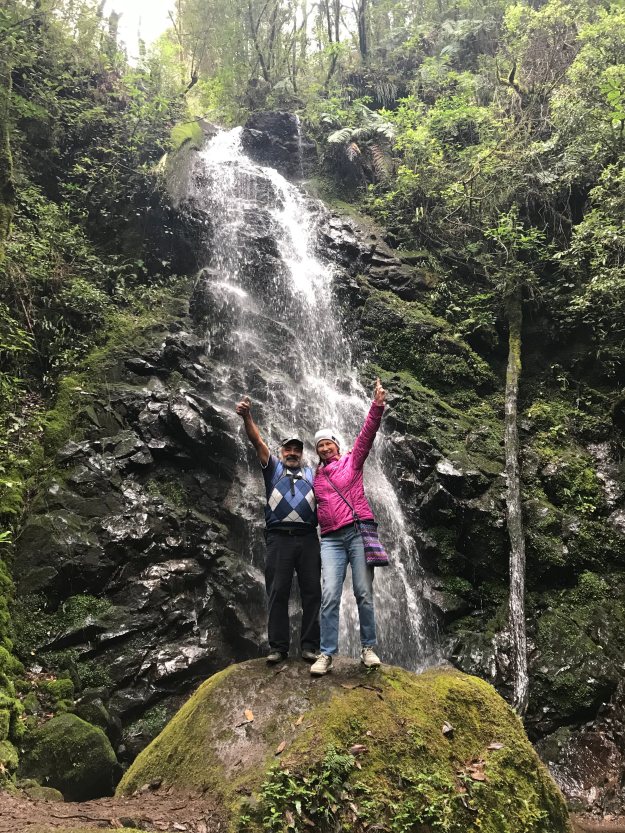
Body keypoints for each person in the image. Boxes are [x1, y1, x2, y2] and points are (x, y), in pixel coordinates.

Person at [310, 378, 386, 677]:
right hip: (329, 540)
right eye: (320, 445)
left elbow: (367, 436)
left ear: (336, 446)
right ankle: (326, 654)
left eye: (328, 443)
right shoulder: (314, 477)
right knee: (329, 594)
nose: (325, 447)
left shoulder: (352, 463)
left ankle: (368, 648)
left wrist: (377, 406)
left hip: (357, 531)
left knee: (363, 592)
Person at [235, 396, 321, 664]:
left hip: (308, 538)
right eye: (288, 449)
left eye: (297, 449)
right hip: (279, 538)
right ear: (281, 450)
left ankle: (309, 646)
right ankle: (278, 647)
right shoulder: (272, 468)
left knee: (312, 593)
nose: (293, 452)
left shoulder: (313, 474)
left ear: (302, 452)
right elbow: (257, 442)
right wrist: (247, 417)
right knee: (277, 592)